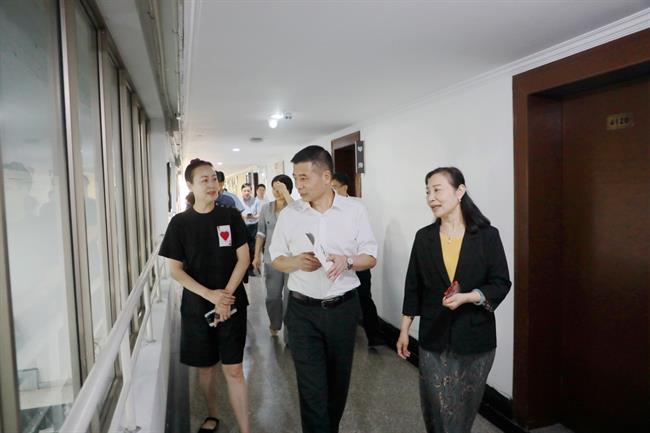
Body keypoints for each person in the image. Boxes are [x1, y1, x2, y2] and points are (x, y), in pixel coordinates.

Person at [270, 145, 378, 433]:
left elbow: (370, 257)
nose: (298, 185)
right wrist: (296, 261)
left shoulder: (355, 210)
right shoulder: (290, 214)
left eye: (304, 178)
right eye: (296, 177)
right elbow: (276, 258)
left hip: (342, 309)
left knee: (337, 385)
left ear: (327, 177)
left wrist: (347, 261)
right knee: (312, 390)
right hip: (302, 312)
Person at [397, 167, 511, 433]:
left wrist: (468, 297)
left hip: (475, 338)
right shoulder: (424, 237)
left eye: (437, 190)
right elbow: (413, 286)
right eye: (427, 192)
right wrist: (404, 330)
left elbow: (500, 283)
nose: (431, 198)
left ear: (460, 191)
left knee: (462, 412)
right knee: (435, 409)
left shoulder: (487, 236)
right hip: (433, 337)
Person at [159, 159, 251, 433]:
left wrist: (225, 297)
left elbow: (244, 259)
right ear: (190, 184)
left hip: (232, 304)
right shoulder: (180, 223)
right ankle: (212, 413)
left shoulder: (230, 216)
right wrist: (210, 295)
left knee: (234, 369)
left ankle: (246, 429)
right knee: (206, 368)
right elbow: (175, 270)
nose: (212, 184)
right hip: (197, 306)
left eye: (214, 179)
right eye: (204, 180)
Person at [331, 171, 384, 348]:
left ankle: (373, 336)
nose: (332, 191)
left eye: (335, 187)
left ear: (345, 187)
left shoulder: (357, 206)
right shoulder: (327, 208)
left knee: (364, 297)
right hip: (337, 263)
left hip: (359, 260)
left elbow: (365, 237)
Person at [252, 175, 294, 338]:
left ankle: (290, 334)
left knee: (291, 297)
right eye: (274, 188)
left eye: (280, 188)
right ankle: (275, 323)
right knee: (273, 296)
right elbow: (260, 233)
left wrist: (287, 196)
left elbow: (301, 218)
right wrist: (256, 256)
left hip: (292, 260)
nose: (276, 192)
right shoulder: (266, 208)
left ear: (288, 189)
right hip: (272, 259)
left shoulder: (295, 207)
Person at [241, 183, 261, 276]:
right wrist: (243, 216)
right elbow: (236, 214)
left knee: (253, 247)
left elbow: (259, 214)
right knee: (244, 247)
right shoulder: (239, 201)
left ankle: (252, 268)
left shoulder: (256, 201)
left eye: (248, 191)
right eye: (245, 191)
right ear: (242, 191)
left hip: (253, 226)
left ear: (251, 191)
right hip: (243, 226)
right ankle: (244, 267)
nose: (246, 192)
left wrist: (253, 217)